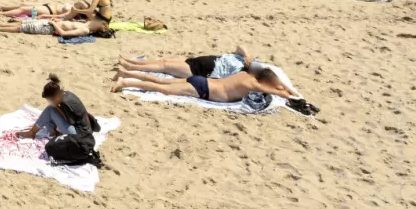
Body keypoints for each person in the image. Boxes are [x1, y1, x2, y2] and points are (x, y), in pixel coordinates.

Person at [112, 63, 299, 104]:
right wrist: (290, 92)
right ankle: (126, 82)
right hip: (203, 89)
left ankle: (127, 73)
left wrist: (283, 85)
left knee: (162, 80)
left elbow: (271, 81)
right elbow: (281, 93)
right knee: (162, 89)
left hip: (202, 81)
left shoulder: (244, 74)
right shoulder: (253, 85)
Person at [117, 45, 254, 81]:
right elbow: (240, 46)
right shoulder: (244, 59)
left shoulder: (242, 74)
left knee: (164, 67)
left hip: (197, 71)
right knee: (163, 60)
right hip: (197, 60)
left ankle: (131, 66)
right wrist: (247, 55)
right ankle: (132, 61)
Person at [19, 75, 91, 141]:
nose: (50, 102)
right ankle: (49, 131)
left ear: (55, 97)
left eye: (50, 100)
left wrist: (56, 107)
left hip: (80, 134)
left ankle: (32, 133)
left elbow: (70, 122)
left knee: (50, 110)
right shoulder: (65, 94)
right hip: (82, 129)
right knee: (48, 115)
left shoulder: (65, 103)